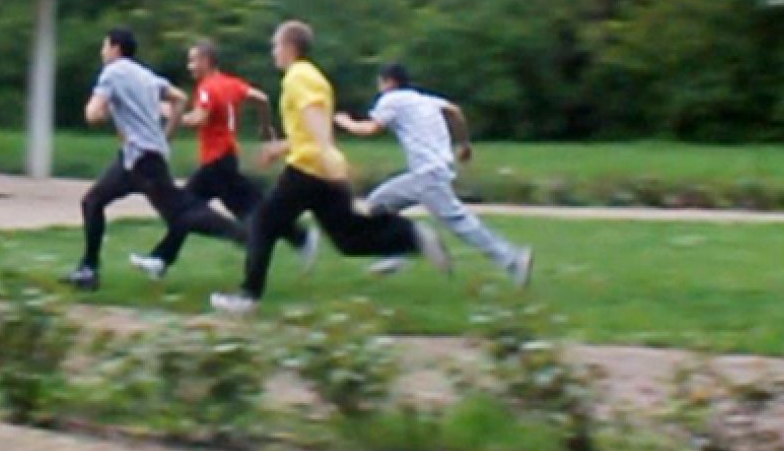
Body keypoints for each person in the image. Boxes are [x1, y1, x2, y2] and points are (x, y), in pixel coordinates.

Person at [210, 21, 445, 314]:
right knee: (347, 238)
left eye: (275, 46)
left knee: (262, 223)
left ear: (290, 47)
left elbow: (312, 117)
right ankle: (411, 236)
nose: (273, 52)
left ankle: (247, 297)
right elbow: (306, 130)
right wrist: (281, 148)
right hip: (321, 166)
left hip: (308, 168)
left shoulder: (297, 77)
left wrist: (324, 149)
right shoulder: (315, 76)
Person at [63, 27, 247, 292]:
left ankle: (246, 236)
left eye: (105, 47)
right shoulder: (145, 75)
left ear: (115, 49)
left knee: (182, 213)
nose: (103, 52)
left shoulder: (112, 72)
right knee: (93, 201)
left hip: (143, 161)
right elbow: (179, 98)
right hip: (134, 158)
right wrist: (166, 136)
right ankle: (88, 270)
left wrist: (95, 111)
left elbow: (93, 113)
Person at [337, 63, 535, 289]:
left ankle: (513, 260)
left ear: (389, 82)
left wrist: (345, 122)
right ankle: (395, 255)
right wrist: (464, 143)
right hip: (432, 172)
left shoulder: (392, 99)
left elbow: (369, 129)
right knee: (377, 204)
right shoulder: (424, 99)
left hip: (426, 175)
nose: (379, 88)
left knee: (461, 223)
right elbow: (454, 111)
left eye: (380, 83)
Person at [129, 40, 314, 279]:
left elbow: (200, 119)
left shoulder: (206, 88)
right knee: (196, 210)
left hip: (216, 163)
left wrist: (172, 114)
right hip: (224, 161)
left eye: (193, 60)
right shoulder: (231, 83)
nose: (189, 66)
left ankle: (296, 239)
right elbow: (262, 98)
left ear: (206, 61)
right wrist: (266, 127)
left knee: (189, 209)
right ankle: (161, 259)